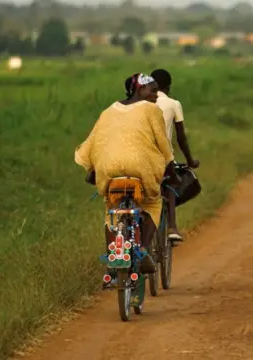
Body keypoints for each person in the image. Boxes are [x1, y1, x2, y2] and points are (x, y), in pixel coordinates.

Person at [75, 73, 181, 281]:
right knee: (153, 203)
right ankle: (141, 249)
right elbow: (163, 145)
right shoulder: (152, 110)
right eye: (152, 90)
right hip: (140, 168)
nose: (156, 95)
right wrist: (171, 171)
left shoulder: (108, 111)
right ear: (139, 89)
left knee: (111, 210)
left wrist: (93, 169)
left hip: (109, 169)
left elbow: (95, 142)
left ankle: (112, 258)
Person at [150, 68, 200, 243]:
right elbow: (181, 137)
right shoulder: (172, 103)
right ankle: (172, 226)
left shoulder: (140, 103)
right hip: (163, 159)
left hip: (139, 157)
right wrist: (190, 160)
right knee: (171, 181)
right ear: (168, 87)